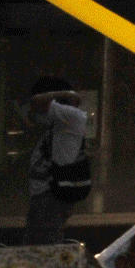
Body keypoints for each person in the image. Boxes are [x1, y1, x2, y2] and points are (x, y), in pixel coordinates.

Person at [22, 75, 91, 244]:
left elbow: (38, 101)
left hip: (51, 196)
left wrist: (66, 95)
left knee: (44, 244)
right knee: (37, 241)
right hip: (45, 195)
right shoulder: (60, 124)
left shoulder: (72, 117)